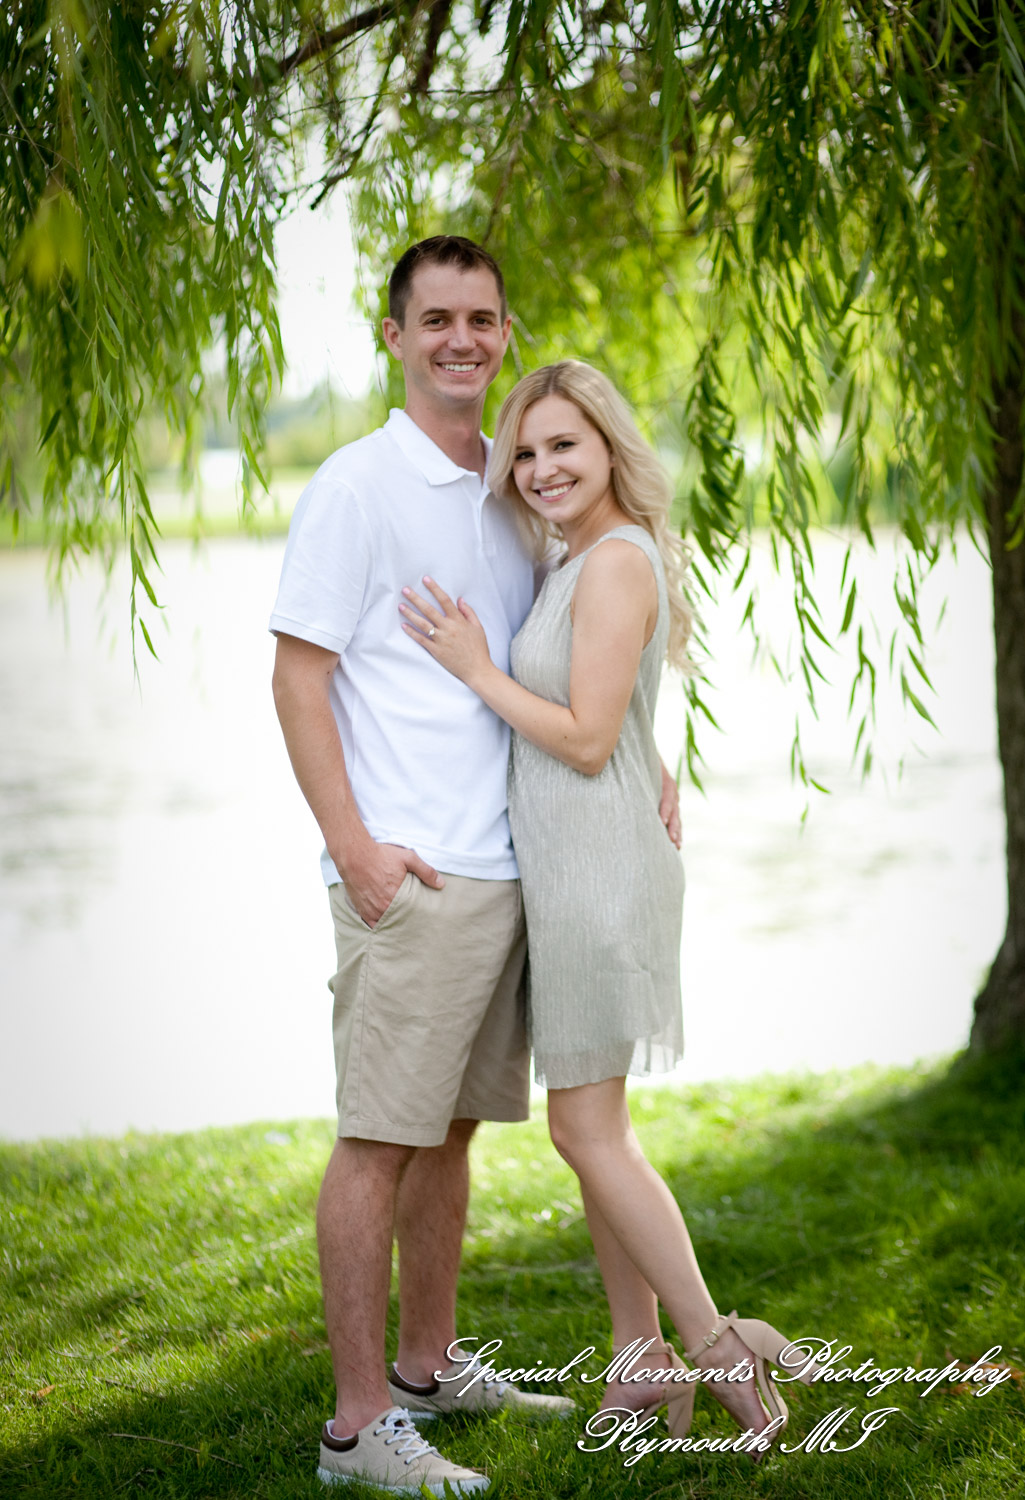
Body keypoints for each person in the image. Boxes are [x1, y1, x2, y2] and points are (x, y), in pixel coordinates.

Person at [269, 240, 681, 1493]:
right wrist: (354, 849)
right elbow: (299, 675)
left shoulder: (513, 494)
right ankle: (356, 1432)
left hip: (516, 872)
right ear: (393, 335)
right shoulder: (356, 487)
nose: (461, 337)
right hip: (416, 873)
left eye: (482, 318)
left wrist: (644, 764)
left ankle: (428, 1368)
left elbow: (570, 662)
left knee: (448, 1137)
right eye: (435, 317)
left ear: (506, 334)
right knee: (377, 1141)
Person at [399, 360, 814, 1458]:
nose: (538, 469)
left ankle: (715, 1342)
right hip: (581, 861)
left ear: (608, 447)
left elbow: (581, 735)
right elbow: (615, 713)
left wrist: (475, 668)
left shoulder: (615, 559)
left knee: (586, 1132)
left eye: (561, 447)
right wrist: (653, 757)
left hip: (595, 877)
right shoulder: (586, 554)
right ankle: (638, 1363)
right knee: (598, 1136)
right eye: (523, 452)